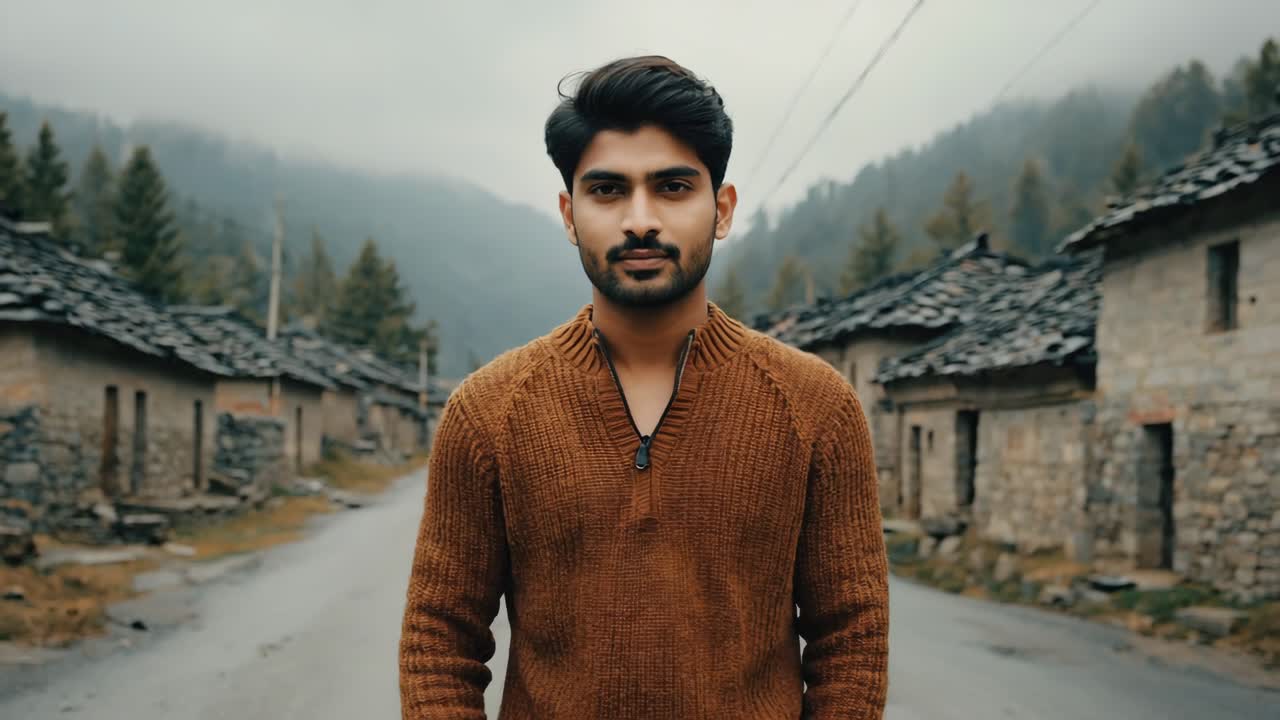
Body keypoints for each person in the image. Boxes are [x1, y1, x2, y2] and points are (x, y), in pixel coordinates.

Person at [399, 55, 888, 719]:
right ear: (569, 215)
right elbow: (439, 640)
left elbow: (852, 639)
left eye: (672, 187)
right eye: (607, 190)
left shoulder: (816, 407)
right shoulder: (488, 413)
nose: (640, 220)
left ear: (722, 209)